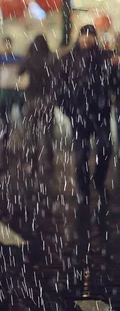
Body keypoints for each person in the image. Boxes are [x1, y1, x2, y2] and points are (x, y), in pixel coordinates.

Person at [59, 25, 113, 205]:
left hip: (101, 112)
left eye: (90, 35)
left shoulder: (105, 57)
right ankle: (83, 189)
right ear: (79, 36)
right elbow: (59, 87)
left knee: (105, 148)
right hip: (79, 114)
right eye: (84, 35)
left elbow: (114, 80)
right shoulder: (69, 59)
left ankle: (98, 180)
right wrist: (68, 109)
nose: (87, 38)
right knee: (81, 154)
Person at [18, 35, 57, 175]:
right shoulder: (51, 58)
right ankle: (49, 162)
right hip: (47, 99)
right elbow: (57, 76)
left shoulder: (30, 59)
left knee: (31, 133)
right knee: (47, 133)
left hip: (32, 99)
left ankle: (31, 163)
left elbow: (19, 72)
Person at [0, 37, 26, 166]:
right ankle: (9, 143)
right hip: (8, 91)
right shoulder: (2, 59)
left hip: (13, 90)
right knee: (7, 120)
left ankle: (16, 143)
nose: (7, 46)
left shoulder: (6, 59)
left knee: (16, 119)